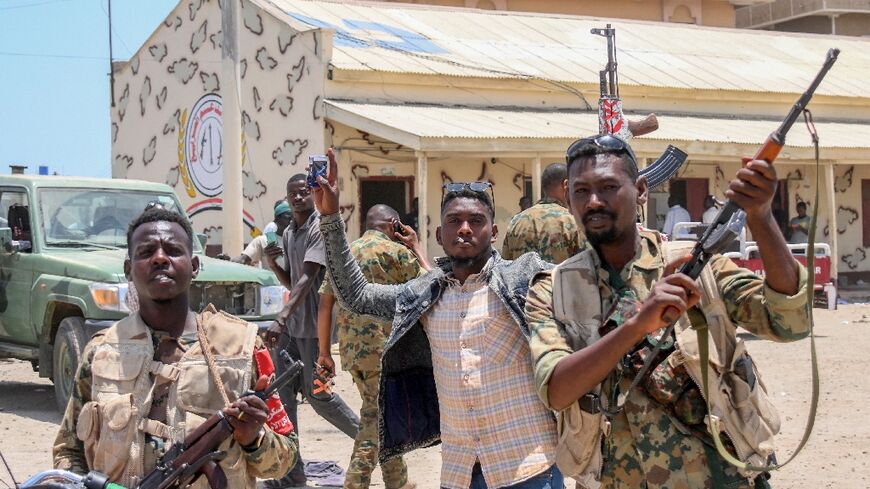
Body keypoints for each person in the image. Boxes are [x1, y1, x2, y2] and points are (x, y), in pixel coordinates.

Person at [525, 134, 811, 488]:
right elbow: (556, 389)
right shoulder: (551, 290)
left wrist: (762, 216)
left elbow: (790, 322)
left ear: (641, 190)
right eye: (582, 191)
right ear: (567, 197)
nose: (594, 201)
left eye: (609, 186)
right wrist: (637, 325)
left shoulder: (699, 266)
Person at [312, 149, 562, 489]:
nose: (464, 229)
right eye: (453, 221)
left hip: (528, 468)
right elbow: (356, 295)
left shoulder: (524, 279)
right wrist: (329, 217)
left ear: (494, 232)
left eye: (476, 221)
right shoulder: (424, 295)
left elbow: (581, 286)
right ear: (438, 235)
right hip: (459, 471)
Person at [53, 208, 297, 488]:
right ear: (128, 270)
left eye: (172, 250)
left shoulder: (243, 347)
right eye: (146, 253)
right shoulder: (101, 351)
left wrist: (254, 439)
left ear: (194, 266)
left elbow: (285, 460)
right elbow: (68, 452)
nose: (159, 258)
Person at [316, 205, 431, 489]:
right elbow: (431, 287)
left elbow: (325, 304)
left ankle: (398, 481)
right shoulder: (398, 253)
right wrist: (415, 246)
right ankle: (355, 482)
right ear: (394, 225)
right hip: (386, 351)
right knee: (374, 421)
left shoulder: (346, 253)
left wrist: (322, 352)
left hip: (353, 352)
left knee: (381, 415)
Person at [263, 174, 360, 488]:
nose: (297, 198)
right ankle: (293, 474)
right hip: (293, 327)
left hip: (313, 329)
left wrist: (280, 317)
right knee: (283, 398)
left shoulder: (317, 227)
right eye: (292, 193)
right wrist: (273, 264)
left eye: (303, 192)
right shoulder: (291, 231)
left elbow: (308, 278)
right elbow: (293, 282)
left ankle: (372, 444)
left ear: (312, 194)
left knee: (319, 397)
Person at [502, 163, 586, 264]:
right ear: (566, 185)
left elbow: (505, 267)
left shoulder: (516, 222)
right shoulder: (573, 221)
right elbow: (588, 268)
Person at [231, 201, 294, 268]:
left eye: (294, 218)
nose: (291, 221)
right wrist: (225, 262)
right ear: (277, 219)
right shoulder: (265, 239)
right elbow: (243, 260)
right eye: (288, 218)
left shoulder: (299, 239)